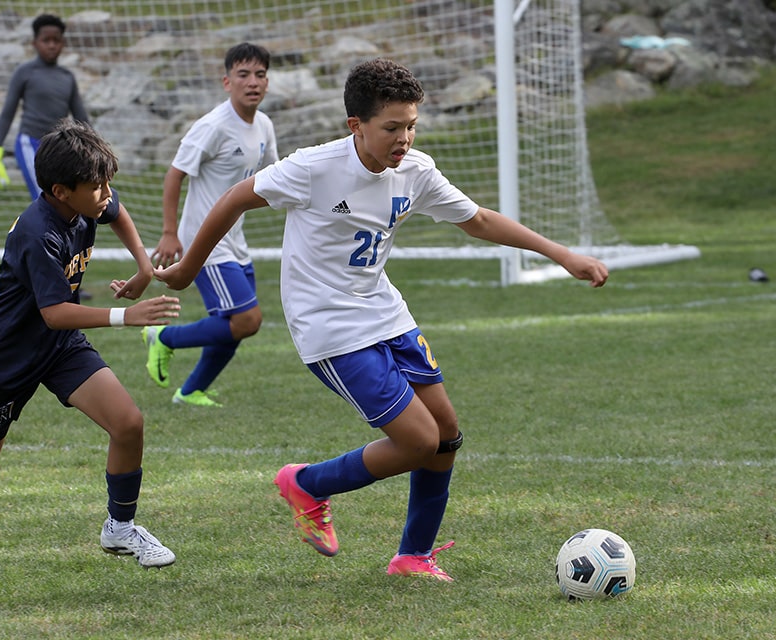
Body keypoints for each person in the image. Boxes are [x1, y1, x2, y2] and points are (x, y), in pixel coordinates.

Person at [155, 58, 609, 581]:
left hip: (386, 314)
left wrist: (561, 254)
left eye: (411, 125)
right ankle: (306, 483)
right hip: (328, 326)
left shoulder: (416, 171)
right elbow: (234, 197)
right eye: (392, 127)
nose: (405, 138)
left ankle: (412, 557)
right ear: (357, 126)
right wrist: (189, 267)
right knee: (417, 440)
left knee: (445, 434)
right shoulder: (313, 168)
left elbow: (479, 220)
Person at [0, 119, 182, 591]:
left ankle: (120, 529)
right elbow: (55, 313)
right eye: (97, 186)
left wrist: (144, 266)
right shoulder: (36, 232)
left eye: (109, 181)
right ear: (61, 191)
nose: (108, 192)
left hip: (59, 349)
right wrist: (128, 317)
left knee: (128, 423)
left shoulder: (89, 200)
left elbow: (117, 213)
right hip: (7, 358)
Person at [142, 43, 278, 407]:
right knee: (247, 319)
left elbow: (273, 177)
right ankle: (163, 338)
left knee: (232, 325)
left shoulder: (264, 125)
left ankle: (190, 392)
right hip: (204, 241)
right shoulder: (212, 126)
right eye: (243, 75)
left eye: (260, 75)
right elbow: (174, 176)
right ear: (226, 81)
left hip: (235, 239)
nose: (253, 82)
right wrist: (171, 232)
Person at [0, 13, 94, 299]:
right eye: (46, 40)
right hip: (30, 145)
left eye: (57, 40)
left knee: (68, 209)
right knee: (49, 205)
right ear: (35, 42)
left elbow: (80, 117)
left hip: (60, 148)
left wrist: (95, 148)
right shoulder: (25, 73)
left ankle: (65, 278)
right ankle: (47, 280)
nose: (52, 46)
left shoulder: (67, 78)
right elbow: (7, 111)